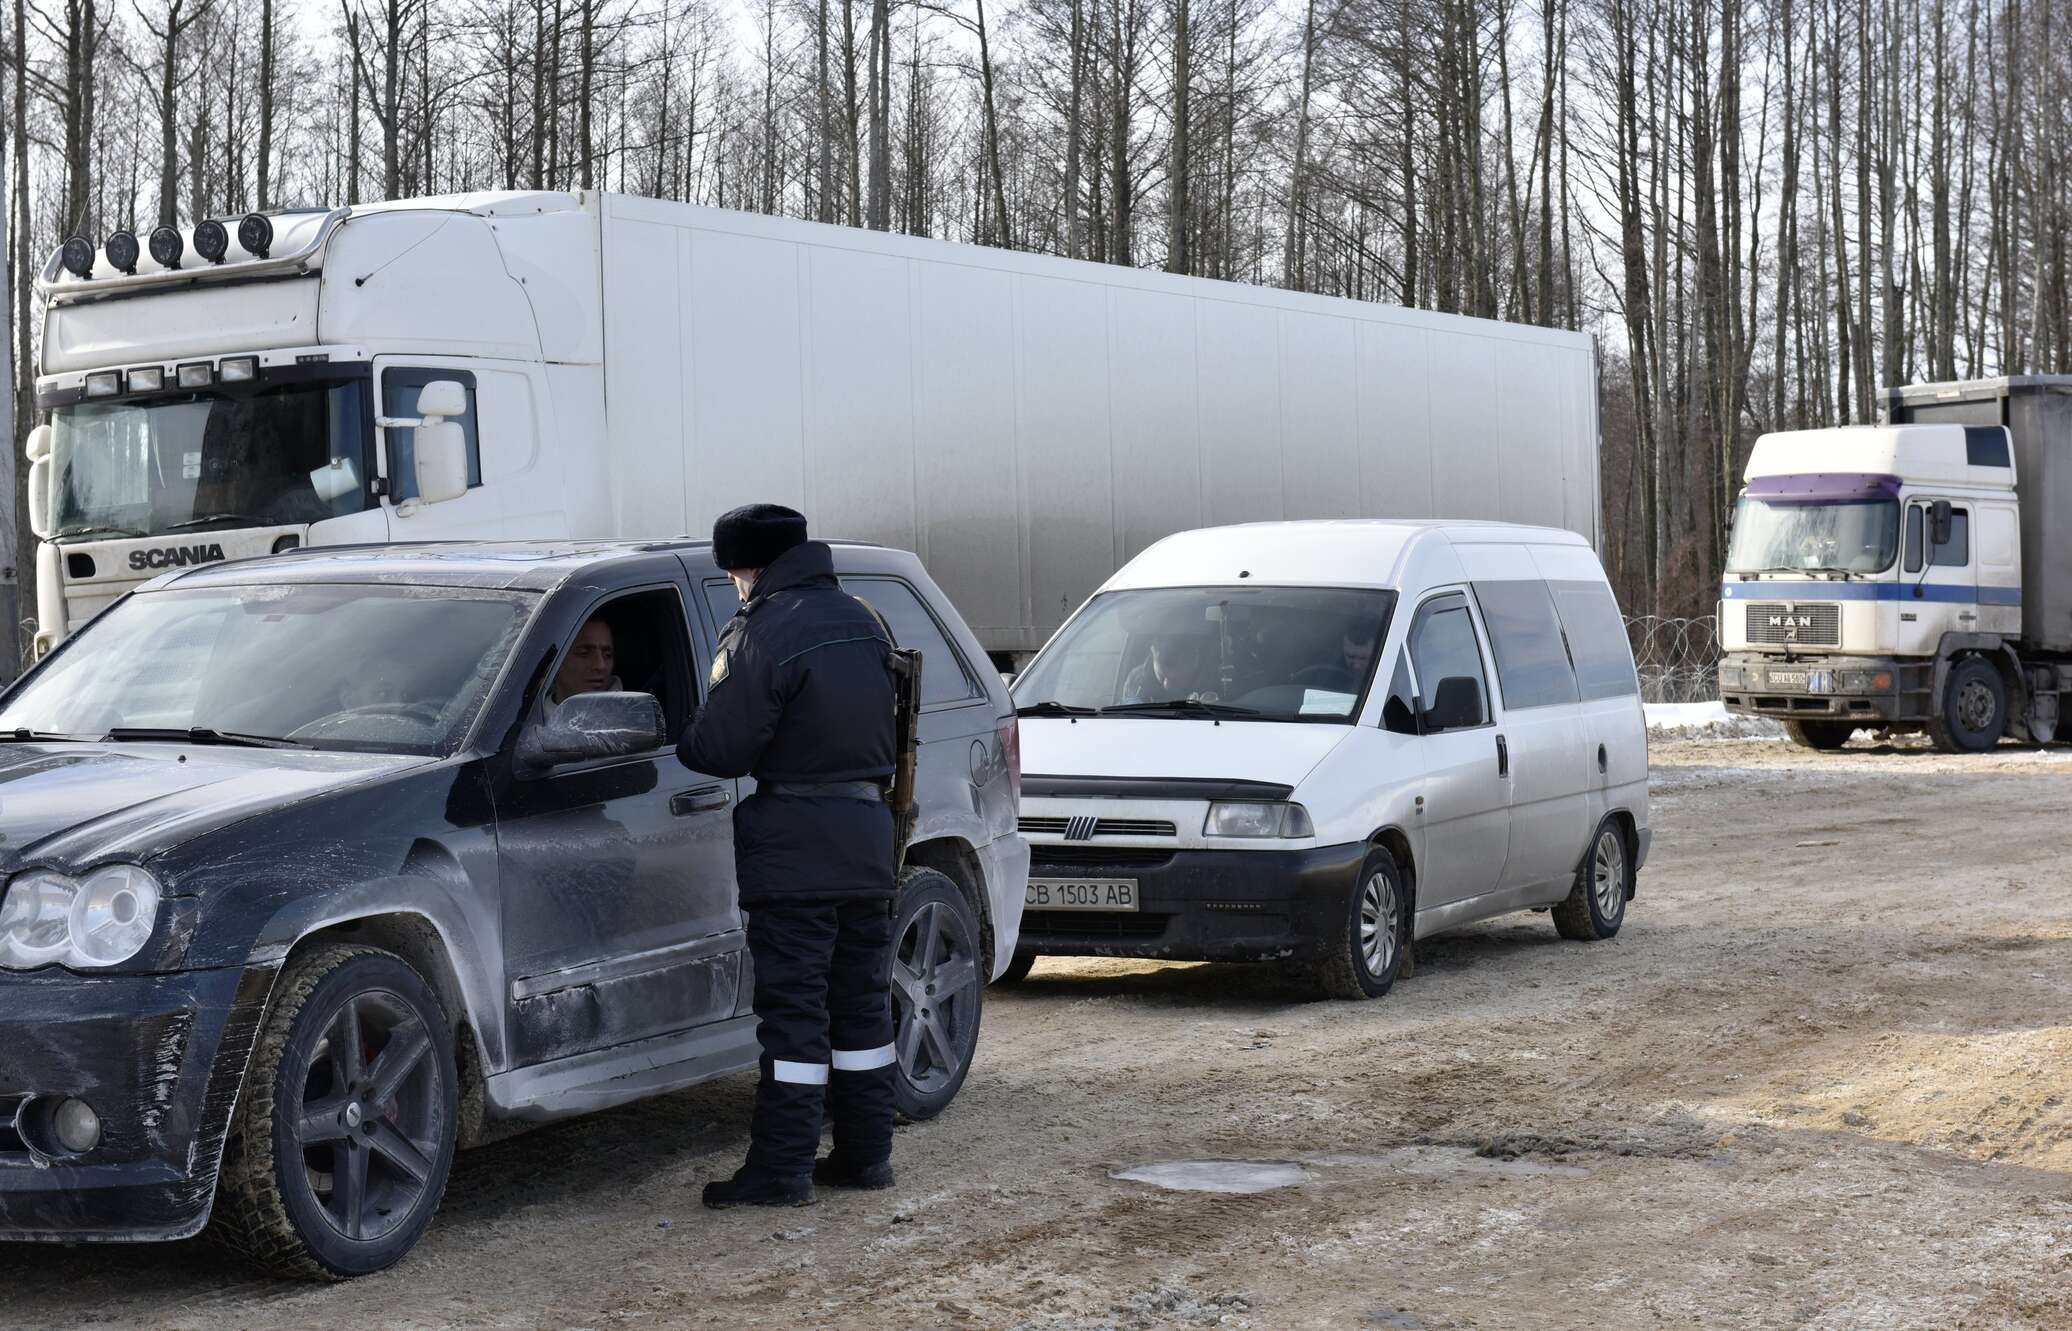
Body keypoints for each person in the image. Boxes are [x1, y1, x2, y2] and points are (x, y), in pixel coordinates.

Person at [677, 504, 902, 1209]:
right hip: (868, 836)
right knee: (862, 1006)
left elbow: (721, 748)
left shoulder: (763, 629)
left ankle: (780, 1170)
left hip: (797, 847)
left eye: (733, 574)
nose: (734, 586)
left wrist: (686, 728)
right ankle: (866, 1155)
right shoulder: (865, 618)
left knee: (796, 1013)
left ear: (749, 567)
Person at [543, 616, 619, 722]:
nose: (601, 665)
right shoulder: (527, 722)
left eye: (607, 655)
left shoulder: (630, 717)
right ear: (555, 661)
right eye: (584, 653)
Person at [1118, 633, 1213, 704]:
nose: (1167, 685)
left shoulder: (1215, 682)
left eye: (1176, 680)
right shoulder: (1136, 680)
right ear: (1153, 652)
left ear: (1194, 660)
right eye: (1162, 676)